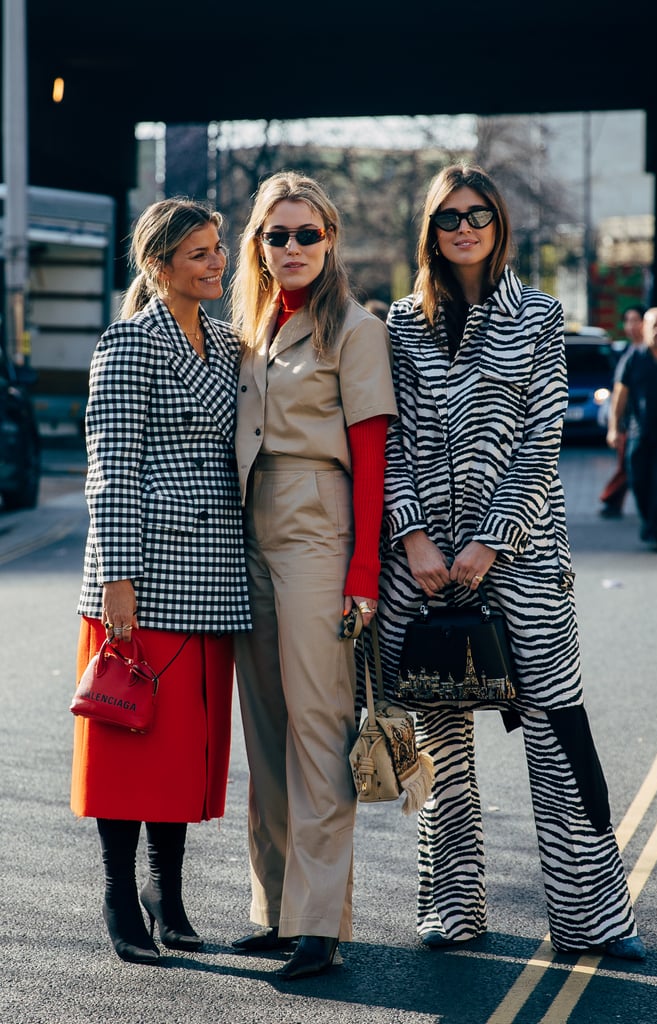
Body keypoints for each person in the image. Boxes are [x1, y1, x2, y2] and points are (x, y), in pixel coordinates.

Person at [376, 163, 645, 960]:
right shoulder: (396, 323)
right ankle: (451, 909)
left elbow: (540, 441)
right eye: (448, 217)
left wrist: (489, 539)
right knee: (441, 735)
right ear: (430, 230)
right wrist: (413, 537)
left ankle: (591, 919)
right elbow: (384, 440)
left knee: (558, 732)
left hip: (520, 560)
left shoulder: (537, 315)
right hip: (423, 569)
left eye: (478, 215)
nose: (463, 227)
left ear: (499, 225)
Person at [71, 197, 251, 965]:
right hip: (140, 577)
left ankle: (166, 893)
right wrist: (119, 579)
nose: (218, 263)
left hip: (211, 576)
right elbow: (111, 469)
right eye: (201, 254)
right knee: (127, 737)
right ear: (158, 266)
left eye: (218, 249)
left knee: (177, 749)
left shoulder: (227, 343)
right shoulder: (128, 343)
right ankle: (119, 895)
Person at [229, 171, 397, 979]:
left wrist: (362, 571)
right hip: (249, 526)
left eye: (305, 234)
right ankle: (277, 908)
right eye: (275, 235)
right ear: (256, 246)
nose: (291, 248)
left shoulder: (354, 329)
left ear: (329, 240)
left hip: (318, 529)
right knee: (263, 728)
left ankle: (319, 924)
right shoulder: (252, 326)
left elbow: (372, 456)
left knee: (317, 728)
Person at [607, 306, 657, 552]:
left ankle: (656, 532)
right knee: (639, 482)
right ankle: (648, 522)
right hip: (638, 433)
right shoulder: (634, 359)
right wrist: (613, 428)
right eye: (654, 325)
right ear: (645, 329)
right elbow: (620, 395)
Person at [598, 304, 646, 518]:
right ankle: (611, 500)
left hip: (650, 423)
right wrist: (614, 427)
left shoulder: (654, 352)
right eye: (628, 321)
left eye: (636, 320)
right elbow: (618, 392)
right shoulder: (626, 353)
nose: (632, 326)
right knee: (628, 465)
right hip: (629, 423)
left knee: (633, 466)